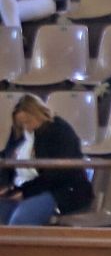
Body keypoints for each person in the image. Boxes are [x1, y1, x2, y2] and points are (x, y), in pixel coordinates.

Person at [0, 94, 91, 225]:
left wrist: (25, 192)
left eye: (28, 121)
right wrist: (4, 184)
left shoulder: (59, 131)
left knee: (20, 222)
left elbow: (57, 174)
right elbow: (7, 159)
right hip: (21, 188)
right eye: (22, 123)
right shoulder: (19, 132)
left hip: (56, 190)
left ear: (38, 114)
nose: (26, 127)